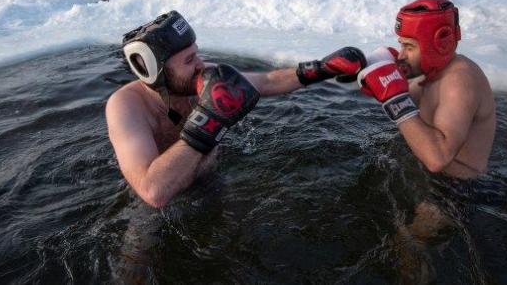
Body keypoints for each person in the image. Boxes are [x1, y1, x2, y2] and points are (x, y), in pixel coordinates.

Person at [106, 10, 367, 208]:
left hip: (211, 179)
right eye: (189, 60)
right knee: (137, 258)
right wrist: (209, 121)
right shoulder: (126, 106)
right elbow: (153, 191)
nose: (200, 64)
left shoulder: (203, 77)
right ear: (157, 73)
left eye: (197, 54)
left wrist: (321, 69)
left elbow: (267, 81)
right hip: (156, 205)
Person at [356, 0, 496, 281]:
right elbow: (401, 98)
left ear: (438, 44)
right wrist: (366, 69)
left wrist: (393, 98)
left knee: (406, 244)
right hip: (437, 181)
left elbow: (437, 157)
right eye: (401, 44)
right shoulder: (431, 74)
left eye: (409, 46)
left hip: (458, 191)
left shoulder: (460, 80)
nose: (402, 54)